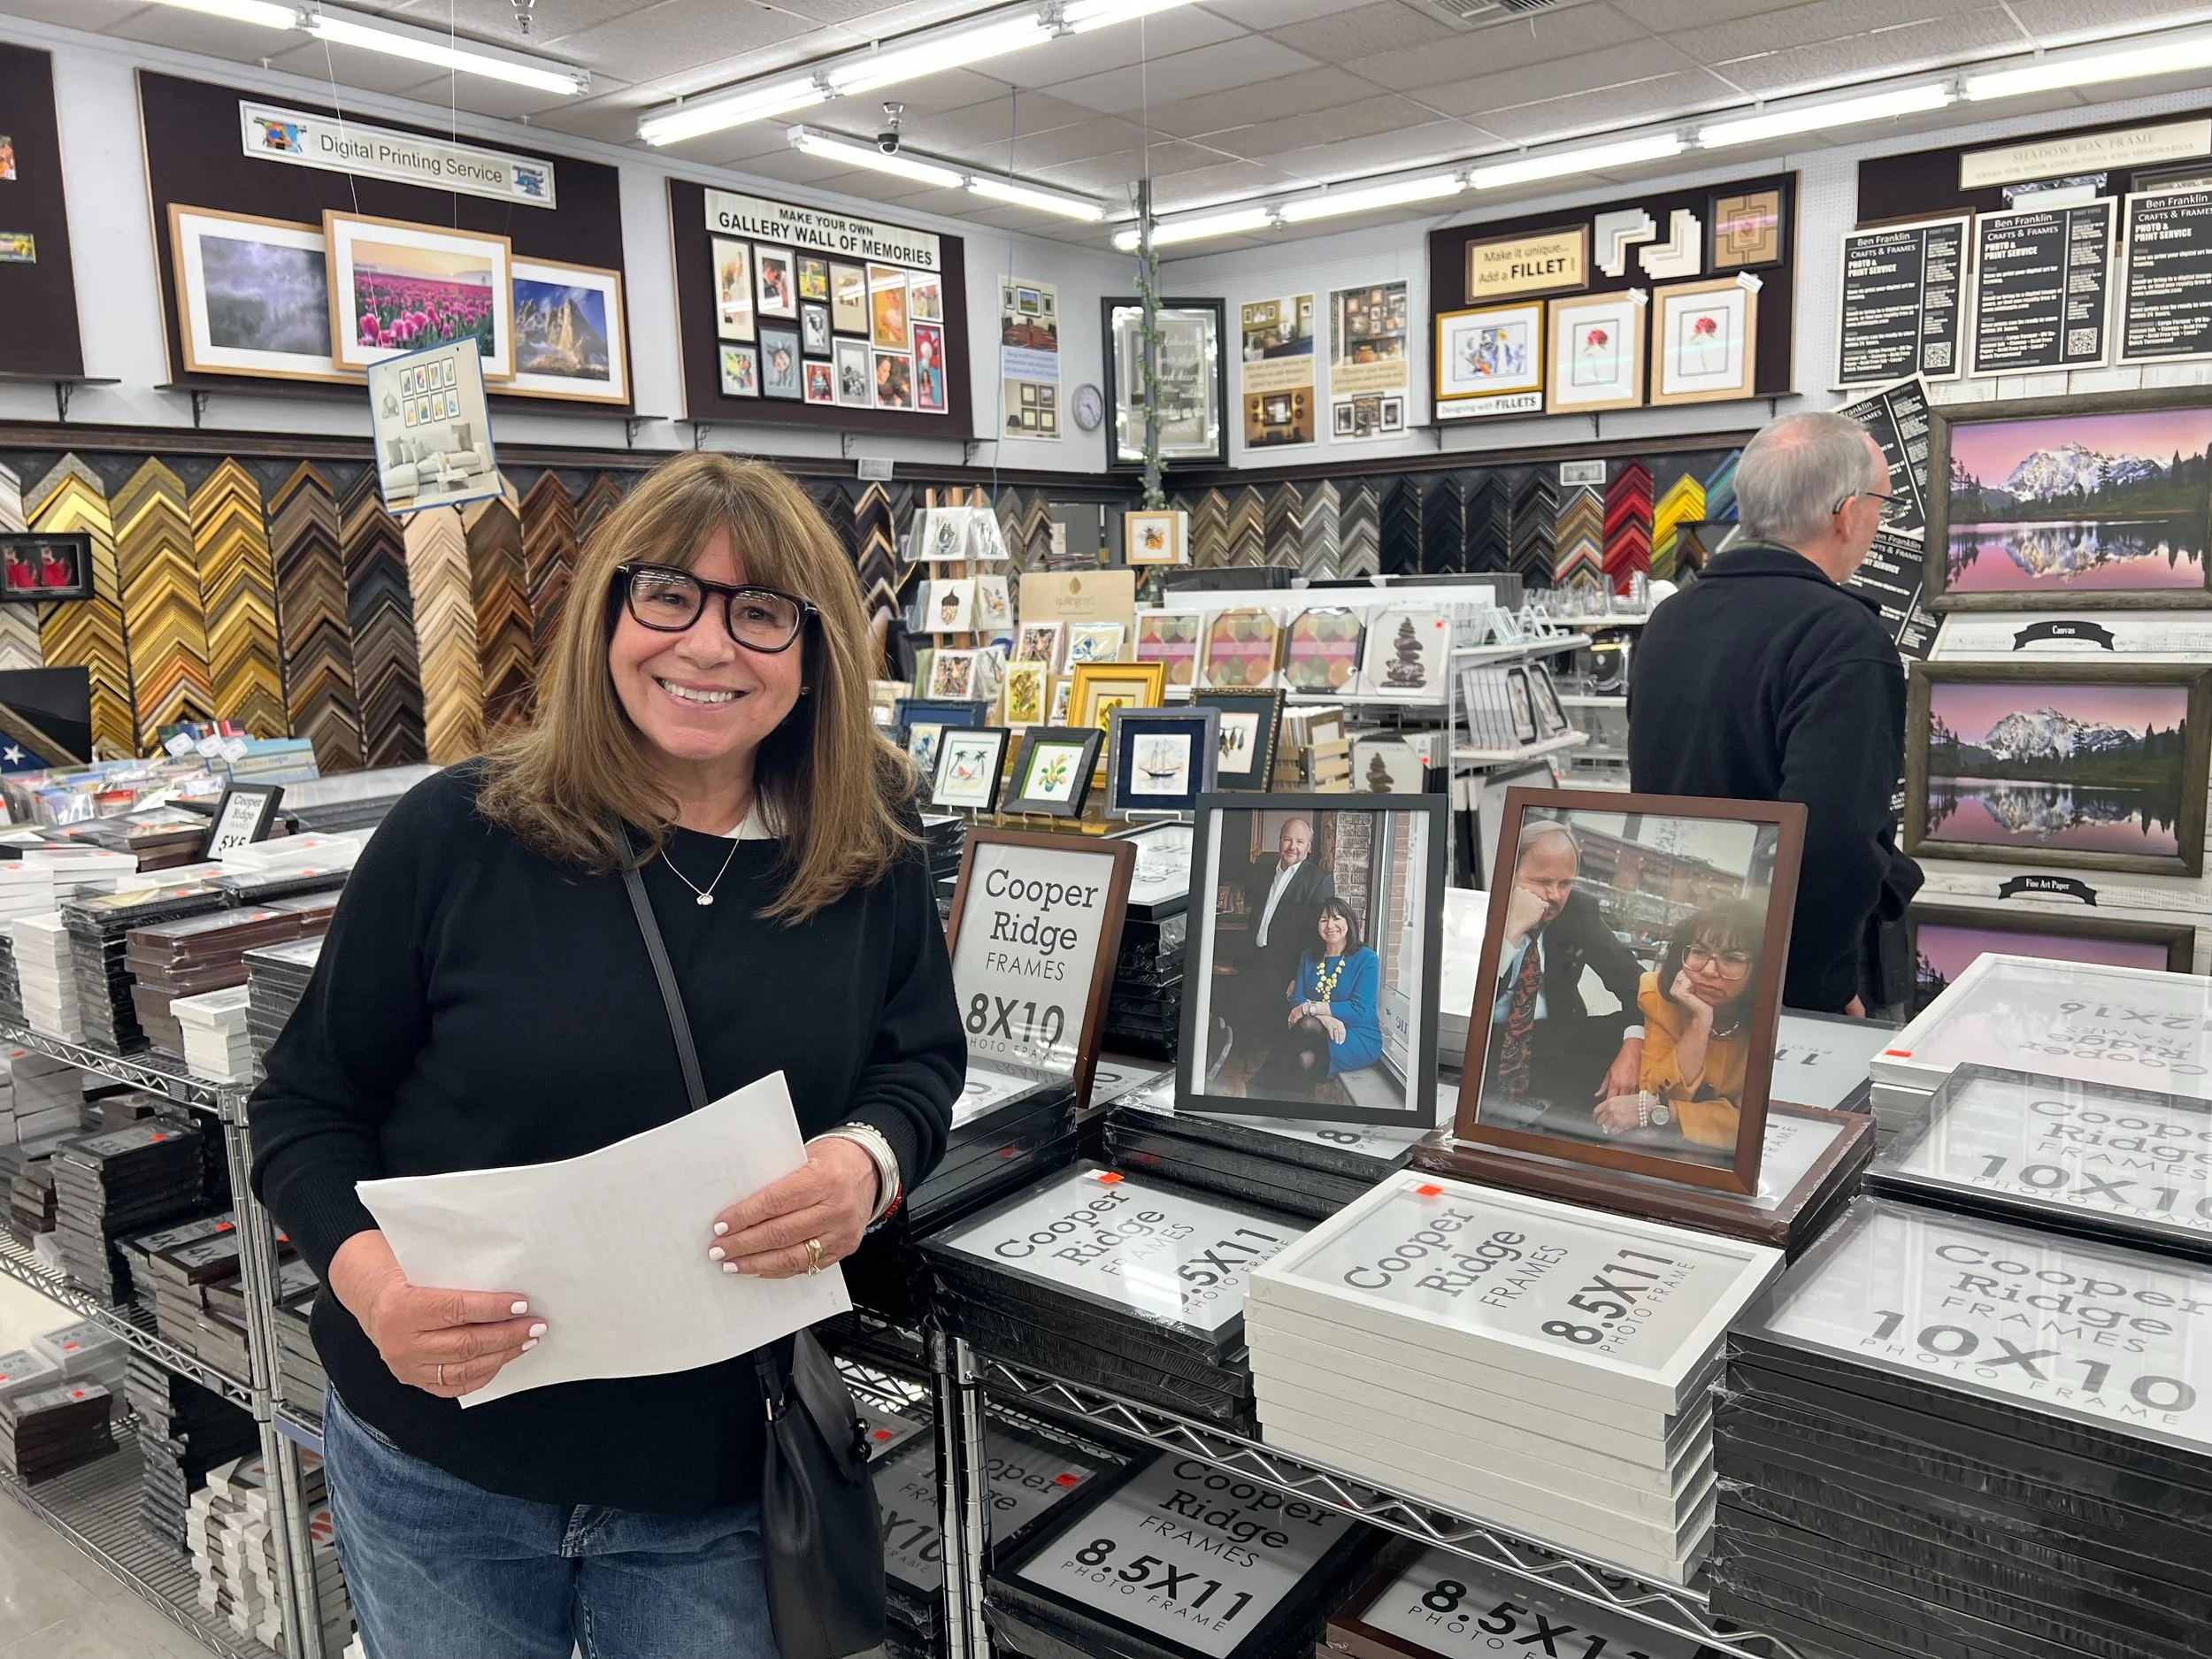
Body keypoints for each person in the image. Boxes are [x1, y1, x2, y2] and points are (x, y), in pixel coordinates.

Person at [249, 453, 964, 1658]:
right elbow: (305, 1107)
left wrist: (866, 1163)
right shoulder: (459, 835)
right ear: (608, 615)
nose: (710, 644)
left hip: (719, 1479)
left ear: (816, 647)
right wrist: (377, 1295)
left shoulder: (865, 847)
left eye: (762, 610)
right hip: (444, 1461)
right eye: (668, 595)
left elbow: (920, 1067)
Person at [1628, 410, 1923, 1014]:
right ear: (1844, 512)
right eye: (1880, 504)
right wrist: (1830, 988)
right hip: (1795, 980)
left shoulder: (1670, 620)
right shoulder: (1842, 636)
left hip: (1695, 962)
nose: (1877, 520)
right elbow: (1831, 842)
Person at [1480, 819, 1646, 1123]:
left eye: (1565, 883)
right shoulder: (1479, 906)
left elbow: (1635, 981)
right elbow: (1467, 997)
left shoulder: (1577, 911)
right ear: (1506, 875)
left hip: (1552, 1040)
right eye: (1542, 881)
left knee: (1626, 1027)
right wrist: (1512, 932)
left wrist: (1634, 1042)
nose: (1555, 896)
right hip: (1483, 1041)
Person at [1591, 902, 1765, 1155]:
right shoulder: (1658, 997)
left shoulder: (1767, 1022)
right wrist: (1700, 1022)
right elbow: (1656, 1088)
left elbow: (1751, 1125)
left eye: (1732, 959)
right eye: (1699, 952)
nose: (1708, 970)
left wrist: (1663, 1111)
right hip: (1666, 1143)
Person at [1227, 817, 1334, 1067]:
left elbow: (1318, 935)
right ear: (1279, 842)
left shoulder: (1319, 879)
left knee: (1273, 1031)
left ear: (1309, 847)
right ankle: (1237, 1072)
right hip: (1255, 959)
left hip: (1286, 968)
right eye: (1288, 839)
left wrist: (1301, 975)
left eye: (1300, 842)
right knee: (1245, 1021)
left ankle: (1259, 1085)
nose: (1292, 847)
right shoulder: (1264, 870)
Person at [1264, 898, 1383, 1092]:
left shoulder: (1366, 958)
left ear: (1349, 922)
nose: (1330, 926)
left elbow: (1358, 1009)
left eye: (1337, 918)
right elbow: (1297, 998)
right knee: (1304, 1053)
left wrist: (1310, 1009)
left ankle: (1257, 1091)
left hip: (1355, 1035)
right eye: (1323, 920)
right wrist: (1324, 1018)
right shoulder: (1309, 956)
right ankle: (1286, 1107)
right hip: (1318, 1029)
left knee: (1304, 1035)